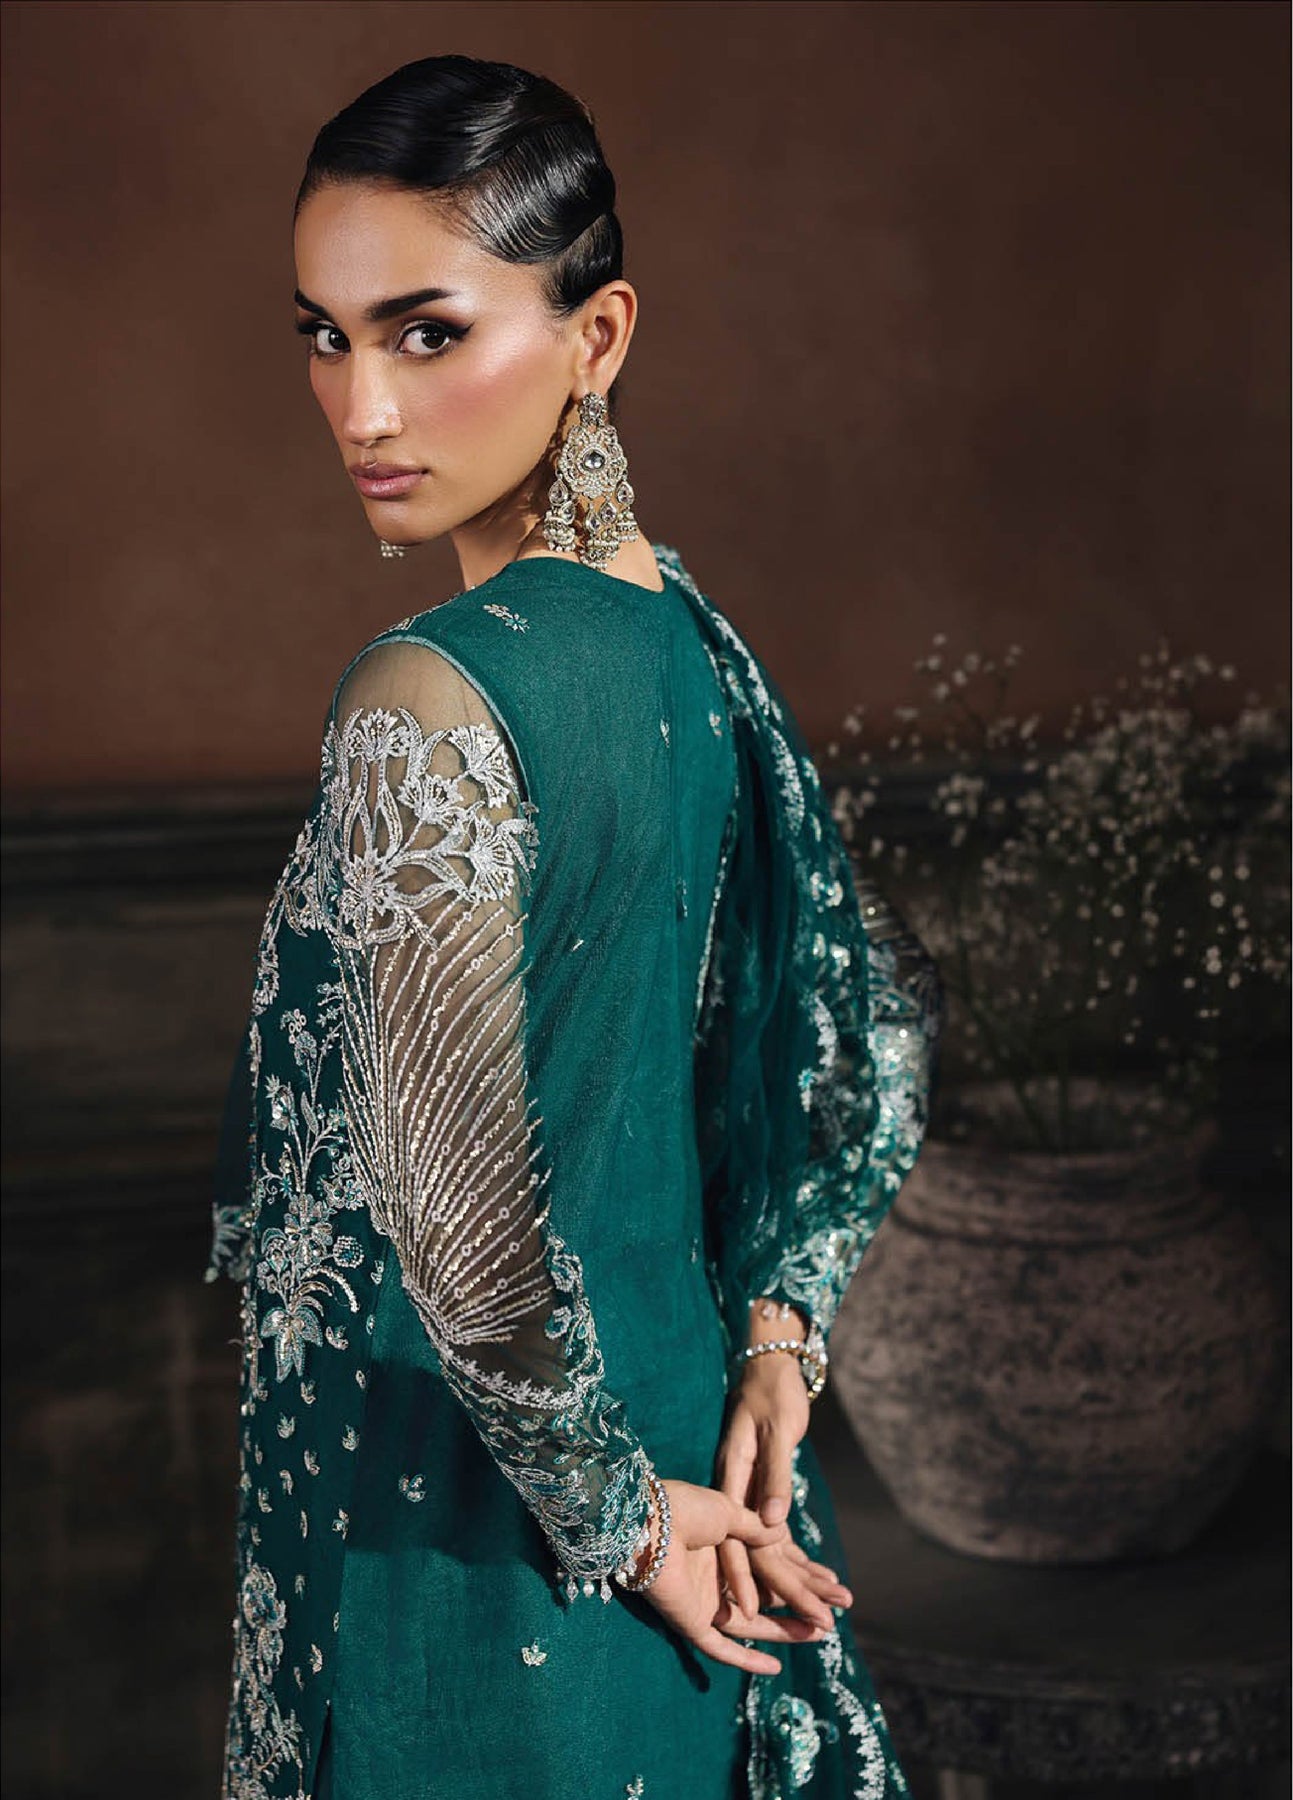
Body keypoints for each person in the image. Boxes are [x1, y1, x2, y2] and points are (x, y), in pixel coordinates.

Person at [205, 53, 942, 1800]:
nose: (364, 405)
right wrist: (776, 1338)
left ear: (596, 337)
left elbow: (455, 1219)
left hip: (477, 1536)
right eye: (325, 336)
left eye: (426, 333)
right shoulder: (689, 643)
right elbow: (868, 1027)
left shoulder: (429, 697)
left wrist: (617, 1519)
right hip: (694, 1463)